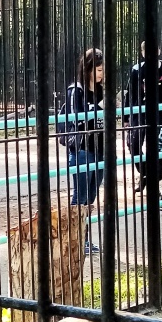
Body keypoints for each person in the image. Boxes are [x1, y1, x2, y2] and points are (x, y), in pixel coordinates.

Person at [60, 47, 105, 255]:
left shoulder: (100, 90)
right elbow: (77, 118)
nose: (102, 74)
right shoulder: (75, 90)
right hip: (82, 149)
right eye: (98, 70)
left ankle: (83, 239)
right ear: (88, 69)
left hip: (100, 149)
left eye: (102, 70)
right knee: (80, 197)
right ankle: (75, 240)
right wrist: (100, 108)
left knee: (90, 198)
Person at [122, 41, 162, 195]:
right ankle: (146, 173)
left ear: (158, 51)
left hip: (160, 114)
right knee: (133, 144)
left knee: (158, 147)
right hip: (139, 113)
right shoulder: (137, 70)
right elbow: (129, 94)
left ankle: (155, 178)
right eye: (146, 51)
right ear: (142, 53)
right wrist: (126, 118)